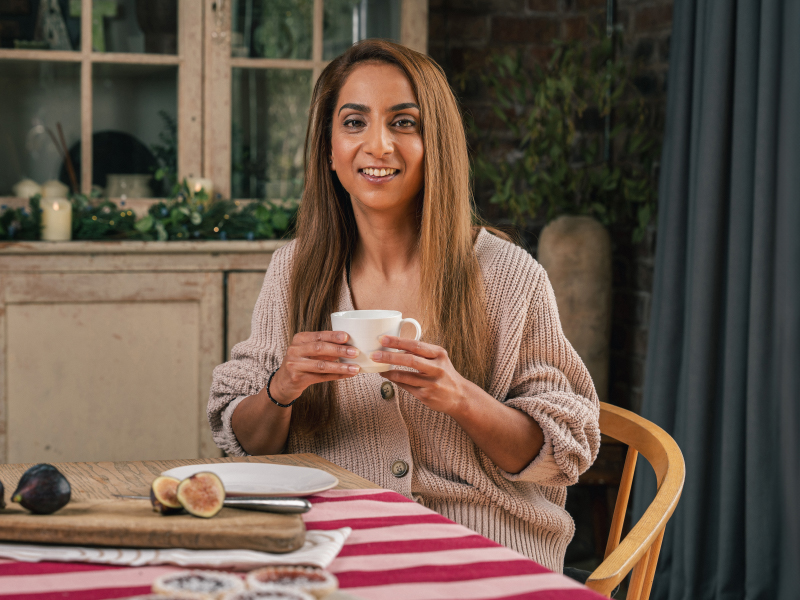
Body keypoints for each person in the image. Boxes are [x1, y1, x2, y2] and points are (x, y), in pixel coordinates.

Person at [208, 39, 600, 573]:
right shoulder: (294, 272)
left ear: (434, 142)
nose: (377, 146)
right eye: (354, 122)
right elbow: (242, 443)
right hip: (337, 549)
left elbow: (565, 453)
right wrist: (281, 389)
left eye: (403, 122)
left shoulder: (508, 276)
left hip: (482, 553)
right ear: (328, 150)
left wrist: (461, 396)